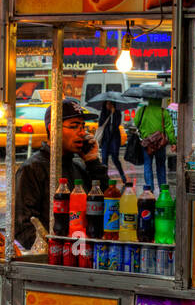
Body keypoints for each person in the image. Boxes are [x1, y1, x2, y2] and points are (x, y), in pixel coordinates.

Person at [14, 98, 106, 248]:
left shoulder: (79, 166)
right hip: (54, 258)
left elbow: (104, 204)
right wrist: (53, 250)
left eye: (83, 126)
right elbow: (22, 225)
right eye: (74, 126)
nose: (82, 133)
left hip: (81, 252)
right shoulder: (32, 169)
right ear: (53, 128)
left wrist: (92, 162)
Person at [133, 88, 175, 193]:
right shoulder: (163, 112)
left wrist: (144, 131)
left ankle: (149, 189)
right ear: (160, 100)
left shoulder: (142, 110)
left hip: (146, 144)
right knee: (161, 166)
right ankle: (163, 189)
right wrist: (173, 142)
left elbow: (136, 122)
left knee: (147, 165)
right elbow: (169, 128)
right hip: (160, 144)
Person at [96, 101, 127, 182]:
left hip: (114, 138)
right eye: (107, 104)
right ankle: (104, 178)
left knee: (115, 158)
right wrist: (108, 116)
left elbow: (117, 124)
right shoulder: (103, 113)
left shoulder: (117, 113)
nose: (108, 105)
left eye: (110, 104)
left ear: (113, 105)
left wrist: (114, 114)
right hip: (105, 138)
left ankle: (122, 175)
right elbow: (100, 123)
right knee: (104, 159)